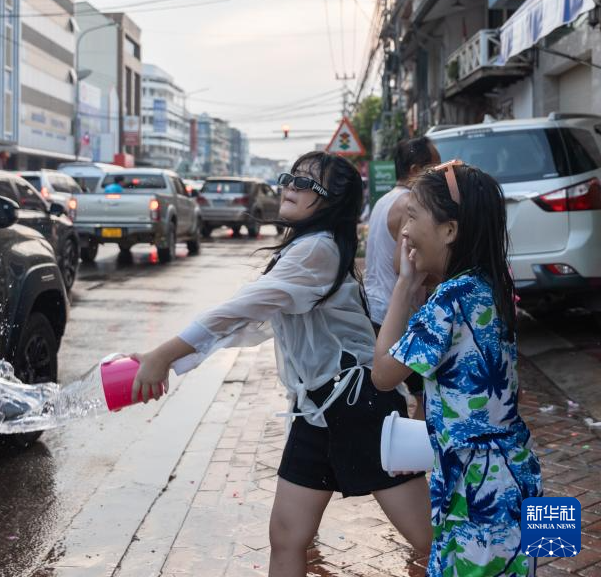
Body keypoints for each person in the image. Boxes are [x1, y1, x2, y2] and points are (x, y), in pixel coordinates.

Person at [132, 151, 432, 577]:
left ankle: (514, 554)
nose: (290, 186)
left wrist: (164, 355)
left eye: (306, 183)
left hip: (358, 407)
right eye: (290, 177)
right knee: (286, 537)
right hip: (316, 409)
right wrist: (173, 357)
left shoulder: (318, 249)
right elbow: (249, 316)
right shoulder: (307, 247)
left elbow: (239, 309)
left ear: (331, 202)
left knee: (431, 536)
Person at [372, 160, 542, 577]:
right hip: (518, 472)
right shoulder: (492, 284)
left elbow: (383, 374)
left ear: (449, 230)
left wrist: (404, 284)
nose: (404, 231)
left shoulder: (448, 301)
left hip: (477, 490)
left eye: (412, 216)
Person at [365, 136, 440, 419]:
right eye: (435, 166)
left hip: (376, 308)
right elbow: (403, 265)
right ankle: (417, 446)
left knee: (399, 395)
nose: (440, 172)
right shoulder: (411, 202)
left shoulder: (385, 200)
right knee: (424, 396)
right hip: (396, 315)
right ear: (415, 170)